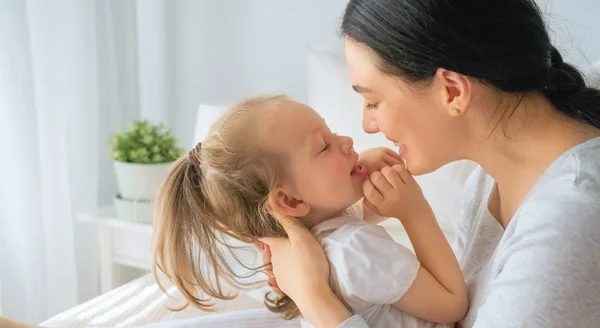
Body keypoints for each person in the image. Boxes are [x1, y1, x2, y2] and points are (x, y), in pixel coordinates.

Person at [258, 0, 600, 327]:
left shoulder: (567, 224)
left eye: (373, 102)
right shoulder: (488, 180)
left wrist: (315, 297)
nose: (368, 126)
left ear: (451, 90)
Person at [152, 94, 468, 328]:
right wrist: (415, 213)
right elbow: (453, 304)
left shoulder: (305, 245)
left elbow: (361, 214)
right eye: (324, 146)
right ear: (290, 201)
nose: (345, 140)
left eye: (330, 133)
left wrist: (359, 173)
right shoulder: (357, 247)